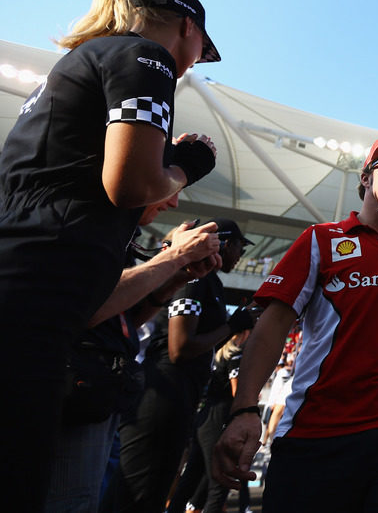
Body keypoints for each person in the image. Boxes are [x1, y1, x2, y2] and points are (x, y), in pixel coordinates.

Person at [0, 0, 219, 508]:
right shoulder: (145, 55)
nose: (192, 63)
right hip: (31, 301)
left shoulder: (83, 62)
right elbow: (131, 185)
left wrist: (167, 269)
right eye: (200, 51)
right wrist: (185, 165)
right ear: (188, 27)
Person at [213, 135, 378, 512]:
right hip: (316, 429)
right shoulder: (319, 239)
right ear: (364, 178)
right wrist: (244, 409)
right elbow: (273, 325)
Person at [45, 193, 220, 513]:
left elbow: (121, 318)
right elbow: (91, 307)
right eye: (167, 189)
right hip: (71, 391)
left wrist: (174, 279)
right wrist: (175, 256)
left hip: (103, 396)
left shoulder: (122, 234)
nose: (173, 204)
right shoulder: (85, 220)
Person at [105, 218, 255, 512]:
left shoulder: (209, 281)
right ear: (224, 242)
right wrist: (232, 326)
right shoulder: (195, 279)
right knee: (137, 493)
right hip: (161, 399)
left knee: (154, 491)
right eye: (239, 247)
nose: (240, 256)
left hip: (179, 398)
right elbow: (179, 348)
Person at [168, 326, 255, 513]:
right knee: (219, 481)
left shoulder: (218, 356)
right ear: (245, 334)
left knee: (191, 477)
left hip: (205, 417)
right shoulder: (236, 356)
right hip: (218, 419)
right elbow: (236, 392)